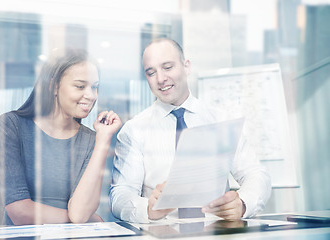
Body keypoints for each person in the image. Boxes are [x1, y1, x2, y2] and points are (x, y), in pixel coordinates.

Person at [110, 38, 271, 223]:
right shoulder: (134, 130)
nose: (161, 79)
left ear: (186, 67)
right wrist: (146, 209)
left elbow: (256, 173)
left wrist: (243, 203)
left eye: (168, 67)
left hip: (217, 231)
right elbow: (120, 195)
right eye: (151, 72)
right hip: (162, 232)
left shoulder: (221, 120)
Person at [0, 49, 122, 225]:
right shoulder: (10, 125)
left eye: (94, 87)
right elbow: (20, 213)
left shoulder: (91, 139)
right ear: (53, 86)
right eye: (80, 86)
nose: (91, 95)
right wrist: (91, 220)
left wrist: (103, 139)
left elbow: (79, 215)